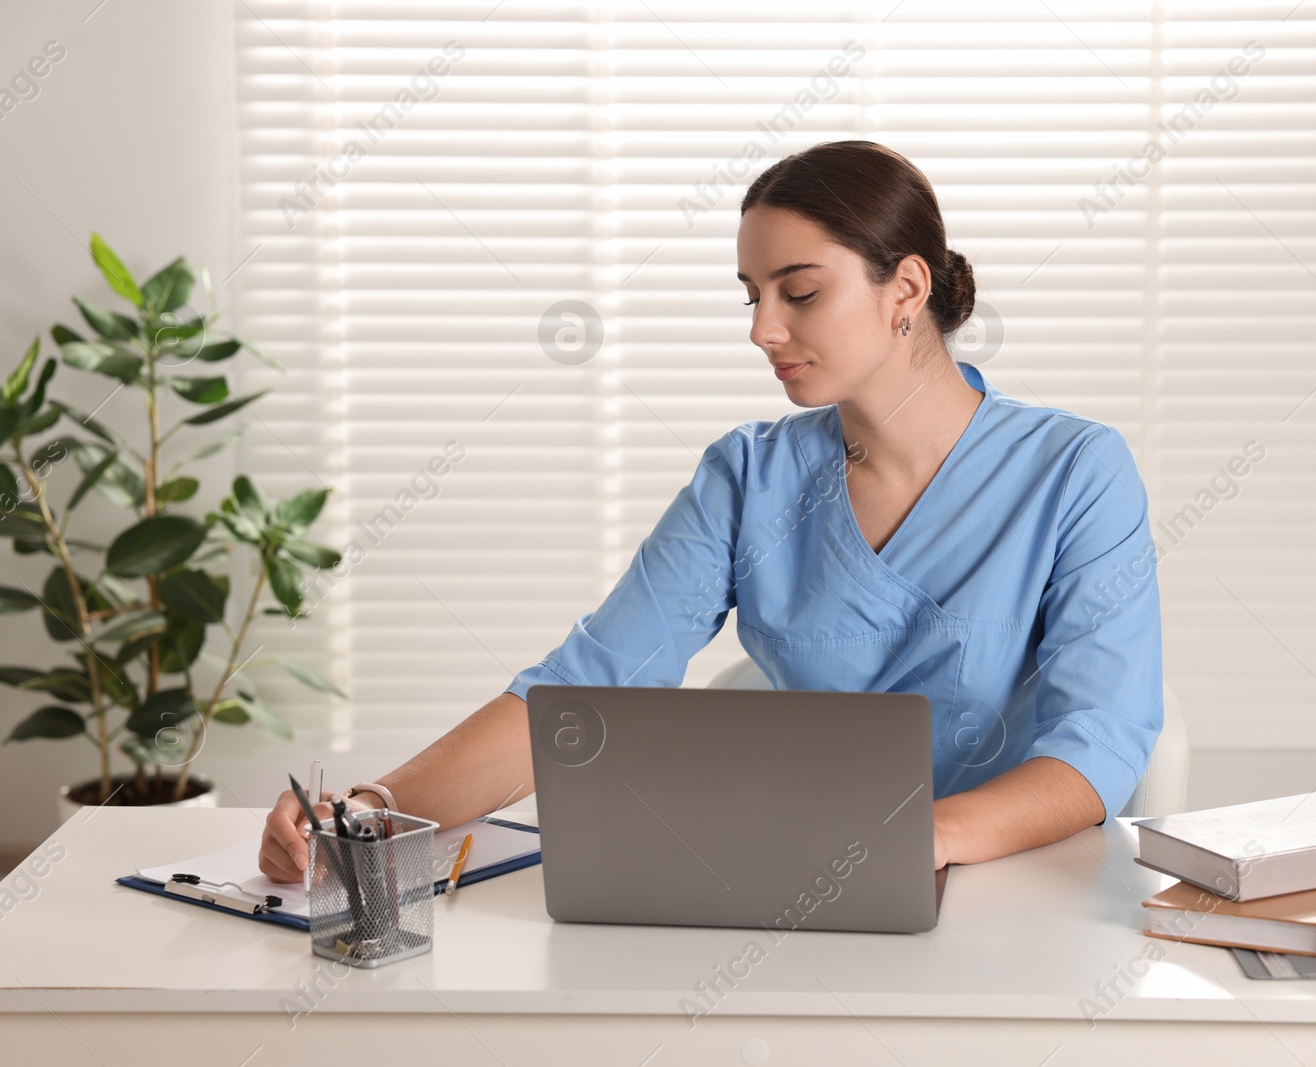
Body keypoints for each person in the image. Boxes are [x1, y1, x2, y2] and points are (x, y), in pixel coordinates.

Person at [259, 139, 1162, 882]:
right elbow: (588, 687)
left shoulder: (1076, 470)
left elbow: (1101, 741)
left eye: (799, 292)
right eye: (752, 296)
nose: (764, 329)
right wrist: (371, 812)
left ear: (908, 289)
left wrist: (918, 838)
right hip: (800, 887)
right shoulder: (749, 476)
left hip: (1014, 893)